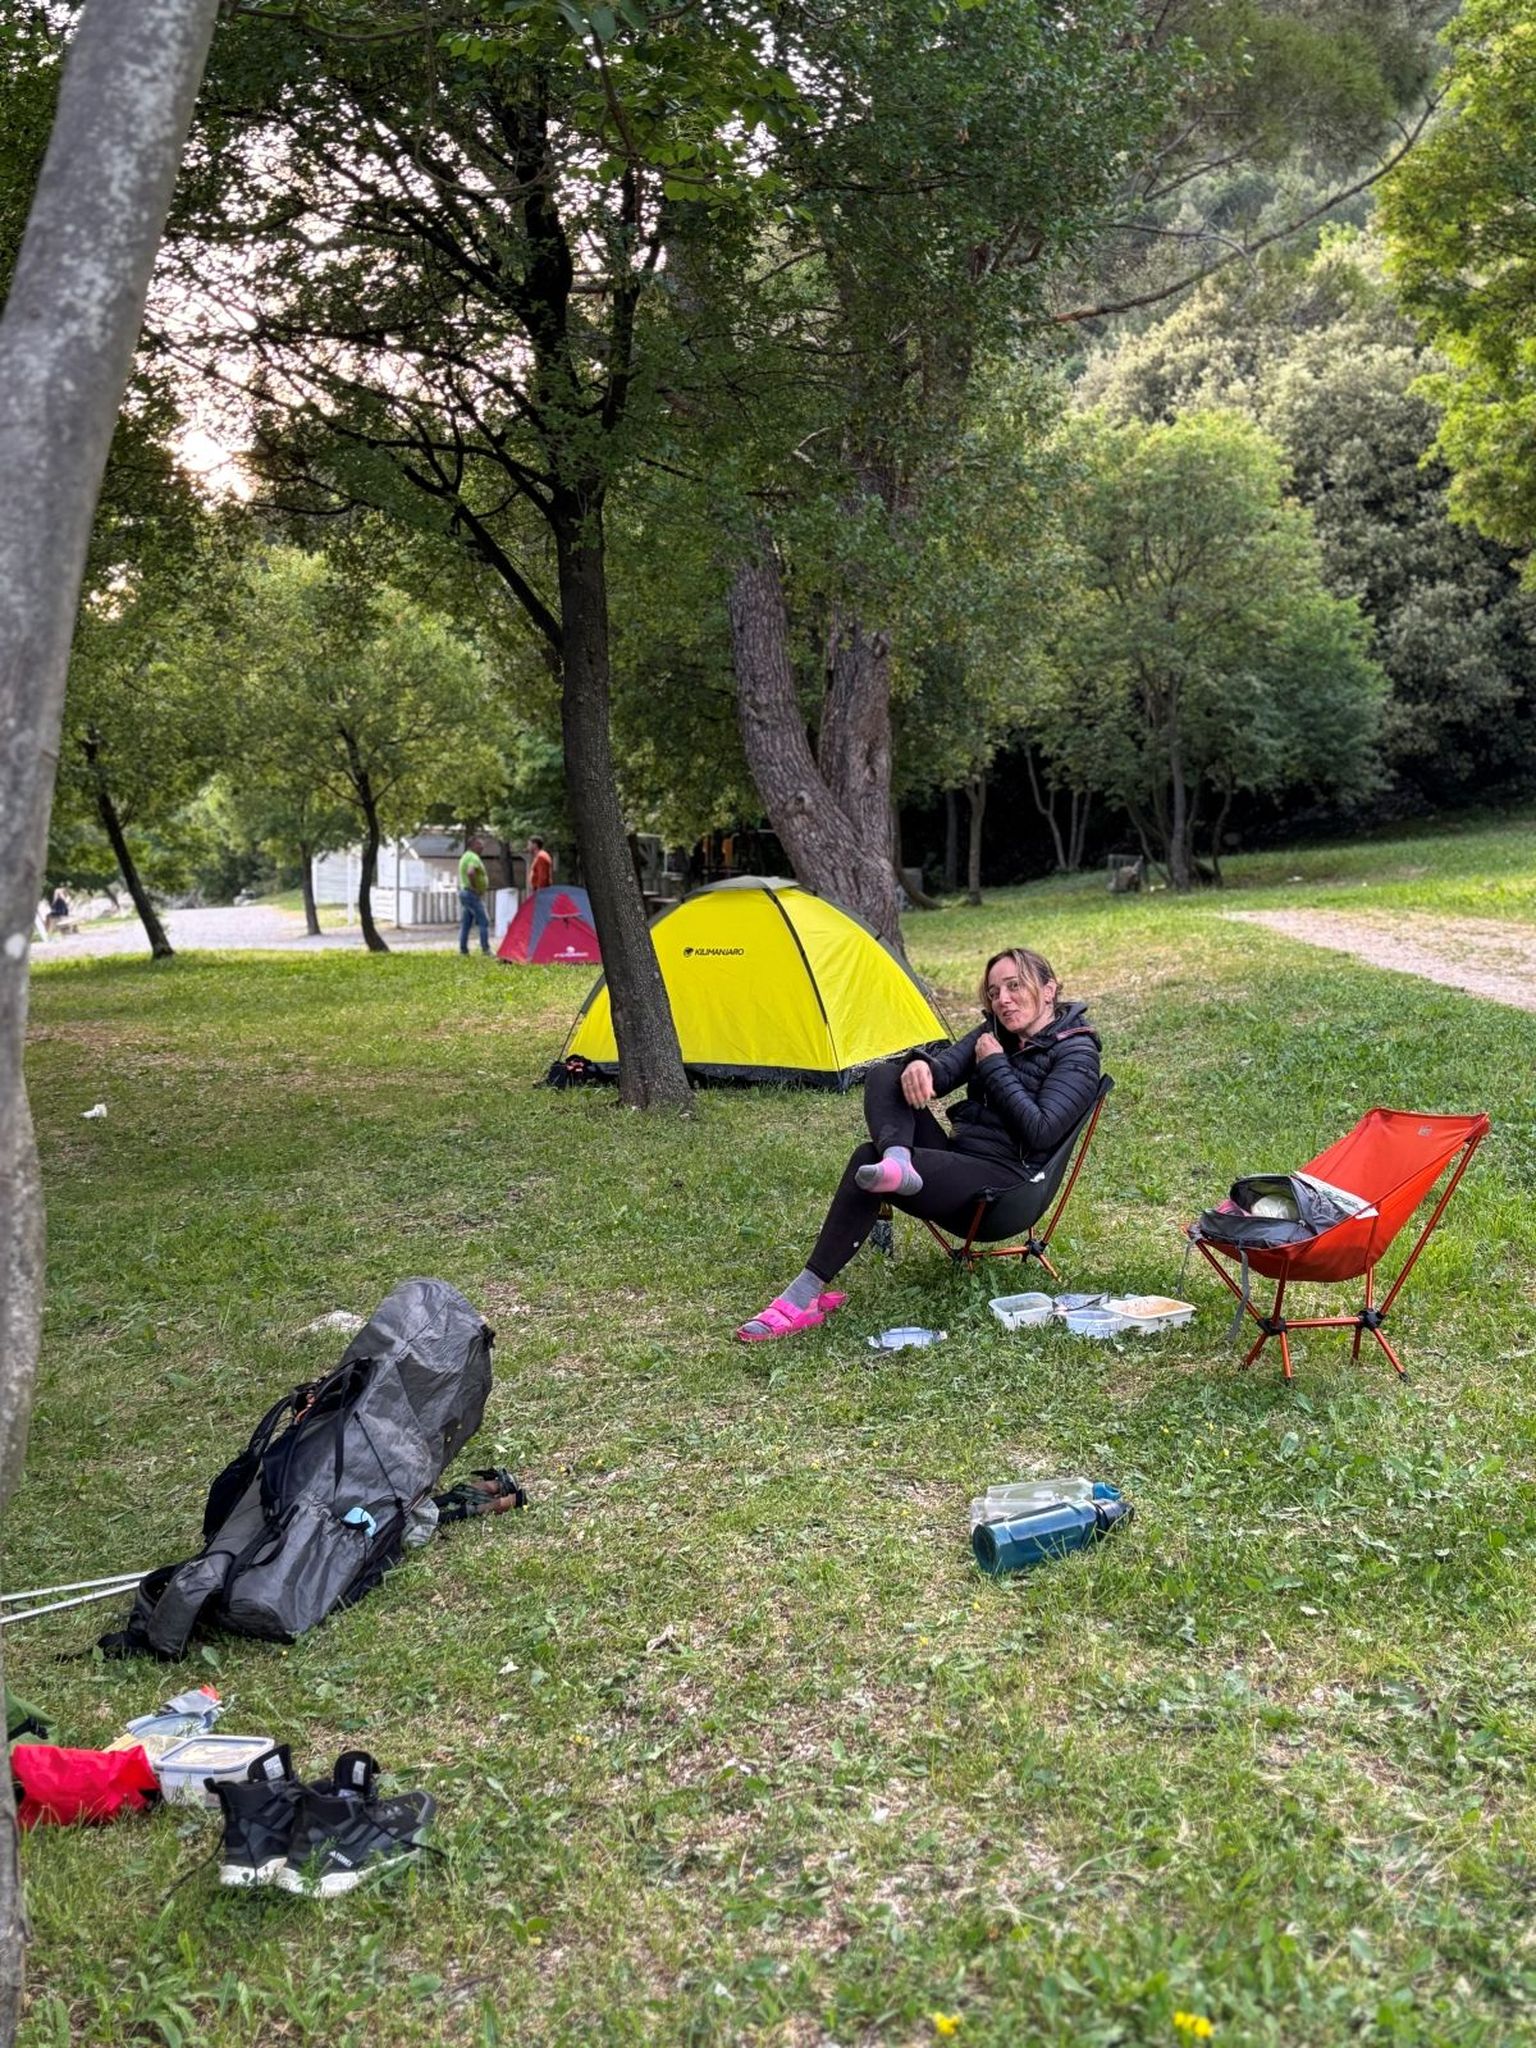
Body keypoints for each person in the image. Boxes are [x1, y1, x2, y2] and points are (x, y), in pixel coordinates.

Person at [736, 946, 1102, 1340]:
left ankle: (802, 1296)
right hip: (960, 1166)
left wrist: (994, 1065)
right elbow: (941, 1073)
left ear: (1049, 990)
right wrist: (919, 1065)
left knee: (866, 1157)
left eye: (1015, 986)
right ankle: (897, 1162)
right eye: (995, 992)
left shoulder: (1077, 1053)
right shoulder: (993, 1033)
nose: (1003, 1000)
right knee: (885, 1076)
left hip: (1006, 1192)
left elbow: (1042, 1131)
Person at [457, 836, 491, 955]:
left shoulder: (465, 856)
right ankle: (486, 949)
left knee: (466, 923)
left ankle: (463, 950)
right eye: (479, 844)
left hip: (465, 893)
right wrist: (475, 888)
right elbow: (470, 872)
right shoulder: (473, 857)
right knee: (484, 921)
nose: (482, 847)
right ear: (472, 845)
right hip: (471, 894)